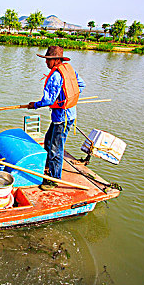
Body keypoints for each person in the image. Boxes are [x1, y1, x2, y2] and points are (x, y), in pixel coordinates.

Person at [28, 46, 85, 190]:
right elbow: (81, 85)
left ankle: (53, 179)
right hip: (69, 114)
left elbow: (47, 100)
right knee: (48, 139)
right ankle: (48, 166)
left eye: (49, 60)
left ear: (57, 60)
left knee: (55, 148)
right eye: (46, 60)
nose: (46, 63)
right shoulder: (68, 70)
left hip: (62, 117)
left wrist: (35, 105)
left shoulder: (55, 75)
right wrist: (67, 98)